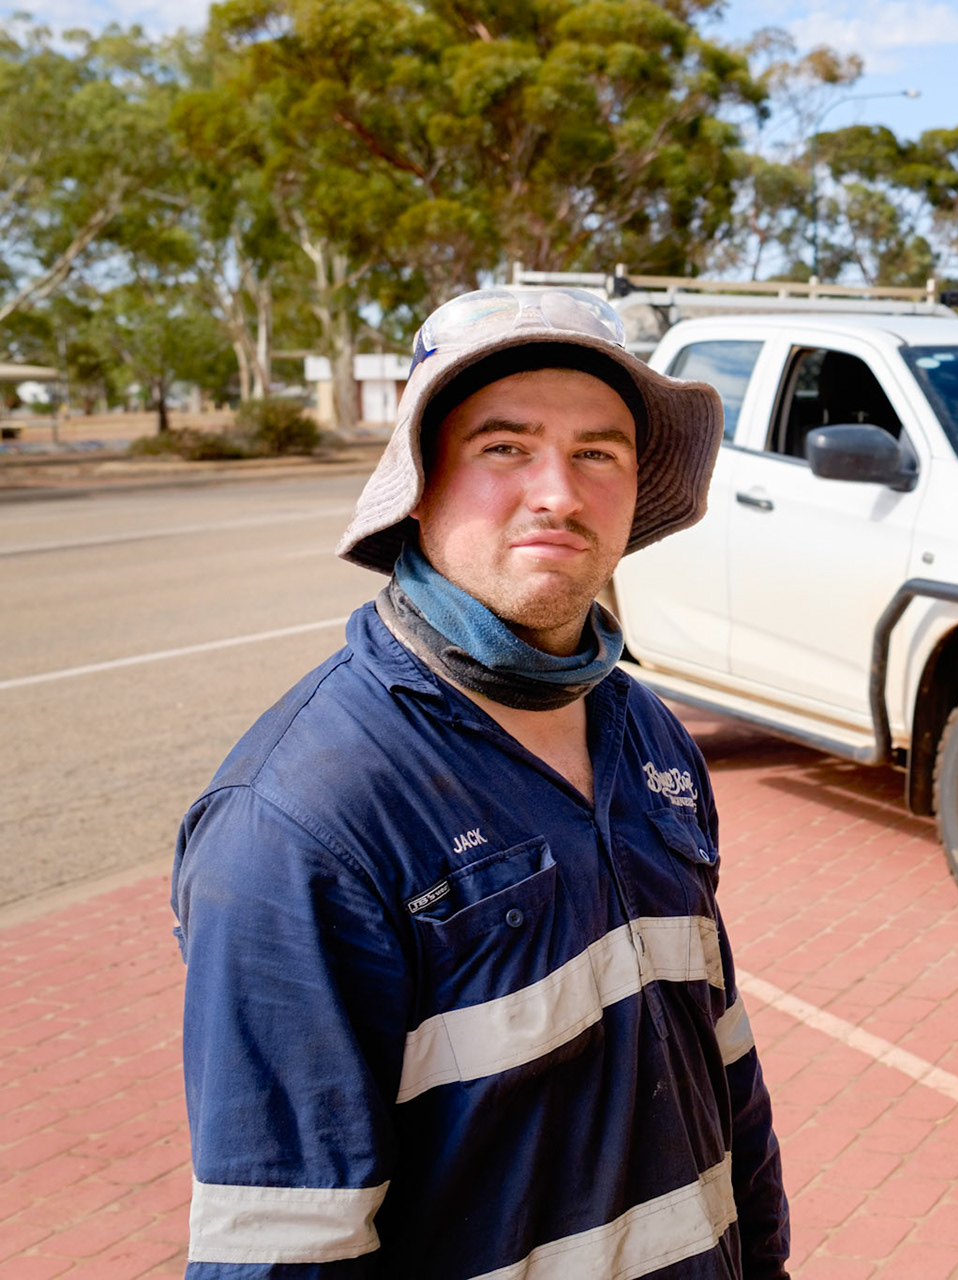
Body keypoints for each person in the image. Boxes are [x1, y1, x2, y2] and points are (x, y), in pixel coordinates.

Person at [171, 287, 789, 1278]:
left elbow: (723, 1066)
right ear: (418, 482)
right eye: (505, 447)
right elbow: (282, 1248)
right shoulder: (298, 822)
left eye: (599, 451)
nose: (560, 491)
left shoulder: (651, 738)